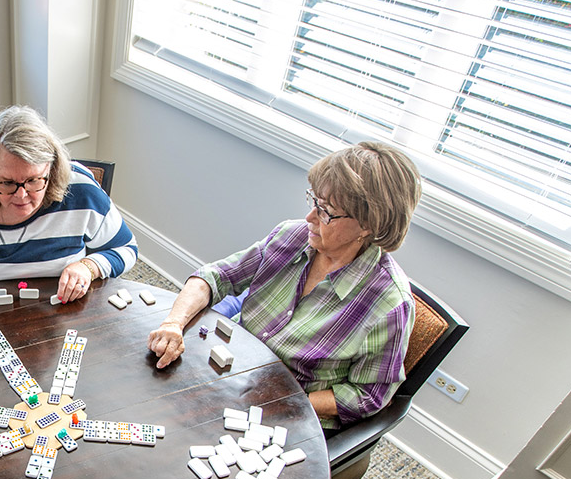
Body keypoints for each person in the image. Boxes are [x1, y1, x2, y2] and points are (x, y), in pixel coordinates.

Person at [146, 143, 419, 431]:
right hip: (232, 370)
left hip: (289, 413)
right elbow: (216, 276)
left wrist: (282, 400)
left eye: (326, 212)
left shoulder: (390, 305)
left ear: (368, 225)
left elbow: (367, 397)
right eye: (314, 201)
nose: (310, 218)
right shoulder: (292, 235)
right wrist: (174, 323)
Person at [0, 105, 138, 304]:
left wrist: (89, 267)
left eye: (34, 180)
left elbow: (126, 249)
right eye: (7, 182)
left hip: (64, 313)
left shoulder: (82, 190)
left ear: (51, 170)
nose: (22, 196)